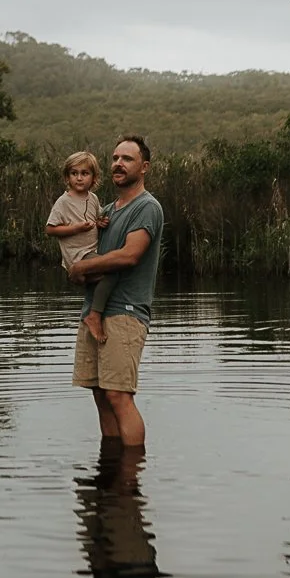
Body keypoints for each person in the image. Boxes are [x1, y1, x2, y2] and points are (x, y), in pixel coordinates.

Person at [67, 136, 164, 446]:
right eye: (115, 158)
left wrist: (83, 269)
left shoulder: (147, 207)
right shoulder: (106, 210)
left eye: (127, 158)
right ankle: (111, 470)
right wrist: (78, 269)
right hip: (92, 312)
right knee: (99, 394)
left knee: (118, 395)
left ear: (144, 167)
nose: (118, 163)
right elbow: (89, 256)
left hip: (126, 312)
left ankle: (130, 478)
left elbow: (129, 255)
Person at [45, 151, 115, 340]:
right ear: (67, 177)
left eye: (84, 173)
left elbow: (96, 218)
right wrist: (75, 228)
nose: (79, 178)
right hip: (78, 256)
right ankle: (94, 315)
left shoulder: (92, 199)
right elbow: (50, 229)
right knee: (112, 270)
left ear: (93, 177)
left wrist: (100, 222)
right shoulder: (64, 201)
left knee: (109, 275)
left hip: (91, 251)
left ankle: (88, 294)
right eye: (74, 173)